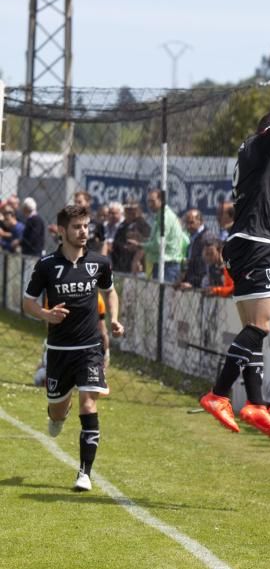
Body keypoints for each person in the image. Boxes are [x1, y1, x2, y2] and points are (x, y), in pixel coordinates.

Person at [199, 91, 270, 438]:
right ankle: (219, 394)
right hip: (253, 246)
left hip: (247, 245)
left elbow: (258, 211)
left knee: (252, 331)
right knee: (259, 328)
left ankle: (256, 403)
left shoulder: (249, 154)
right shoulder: (261, 146)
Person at [22, 204, 124, 492]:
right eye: (77, 227)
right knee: (57, 412)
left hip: (90, 347)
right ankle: (58, 413)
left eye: (86, 226)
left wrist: (114, 320)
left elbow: (110, 292)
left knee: (88, 402)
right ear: (62, 231)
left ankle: (84, 474)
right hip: (58, 351)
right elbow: (28, 302)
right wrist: (46, 315)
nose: (84, 232)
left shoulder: (99, 263)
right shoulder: (46, 266)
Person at [128, 189, 186, 282]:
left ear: (161, 200)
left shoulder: (164, 218)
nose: (150, 205)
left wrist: (139, 245)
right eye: (148, 202)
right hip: (162, 264)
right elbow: (155, 241)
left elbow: (158, 245)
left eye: (152, 201)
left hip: (167, 266)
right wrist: (141, 239)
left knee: (164, 295)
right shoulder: (160, 216)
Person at [112, 201, 150, 273]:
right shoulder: (122, 225)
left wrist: (137, 260)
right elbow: (116, 242)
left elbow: (145, 245)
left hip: (135, 267)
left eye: (132, 209)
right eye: (127, 209)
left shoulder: (142, 225)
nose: (129, 212)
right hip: (120, 265)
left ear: (137, 210)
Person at [178, 208, 211, 289]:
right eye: (187, 223)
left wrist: (194, 283)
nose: (189, 226)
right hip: (190, 283)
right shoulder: (193, 237)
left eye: (191, 223)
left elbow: (204, 266)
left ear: (200, 221)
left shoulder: (206, 238)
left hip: (199, 286)